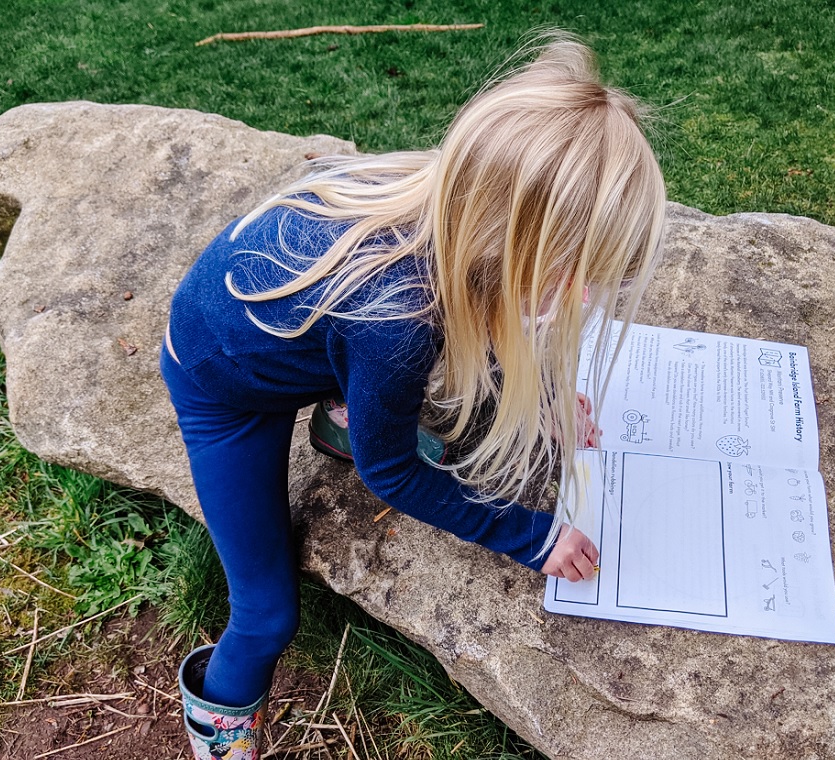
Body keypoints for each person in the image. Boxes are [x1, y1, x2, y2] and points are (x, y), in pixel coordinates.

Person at [161, 33, 666, 760]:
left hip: (313, 344)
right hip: (226, 396)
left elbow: (495, 309)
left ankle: (343, 409)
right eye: (575, 274)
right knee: (266, 617)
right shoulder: (396, 322)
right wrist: (536, 536)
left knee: (400, 378)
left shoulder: (447, 205)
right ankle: (220, 740)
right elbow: (391, 473)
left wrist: (551, 393)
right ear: (508, 235)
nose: (587, 296)